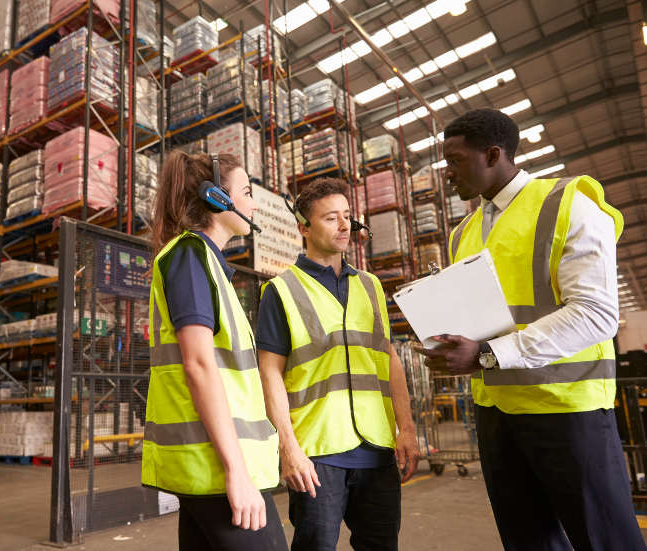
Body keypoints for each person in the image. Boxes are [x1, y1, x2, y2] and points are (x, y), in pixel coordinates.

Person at [416, 108, 644, 551]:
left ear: (493, 154)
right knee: (528, 542)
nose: (447, 174)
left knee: (605, 540)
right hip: (496, 413)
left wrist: (486, 354)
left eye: (455, 161)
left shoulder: (568, 204)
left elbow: (595, 313)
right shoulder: (463, 233)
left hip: (566, 410)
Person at [256, 177, 420, 551]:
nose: (345, 225)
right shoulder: (281, 291)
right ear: (304, 227)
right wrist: (288, 448)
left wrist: (406, 428)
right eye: (331, 218)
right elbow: (269, 374)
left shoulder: (371, 285)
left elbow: (389, 359)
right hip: (318, 452)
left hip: (377, 448)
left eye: (347, 216)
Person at [142, 150, 287, 551]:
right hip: (216, 465)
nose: (255, 203)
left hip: (208, 464)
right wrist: (236, 470)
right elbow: (199, 365)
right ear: (216, 199)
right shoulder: (190, 257)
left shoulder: (204, 262)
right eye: (246, 191)